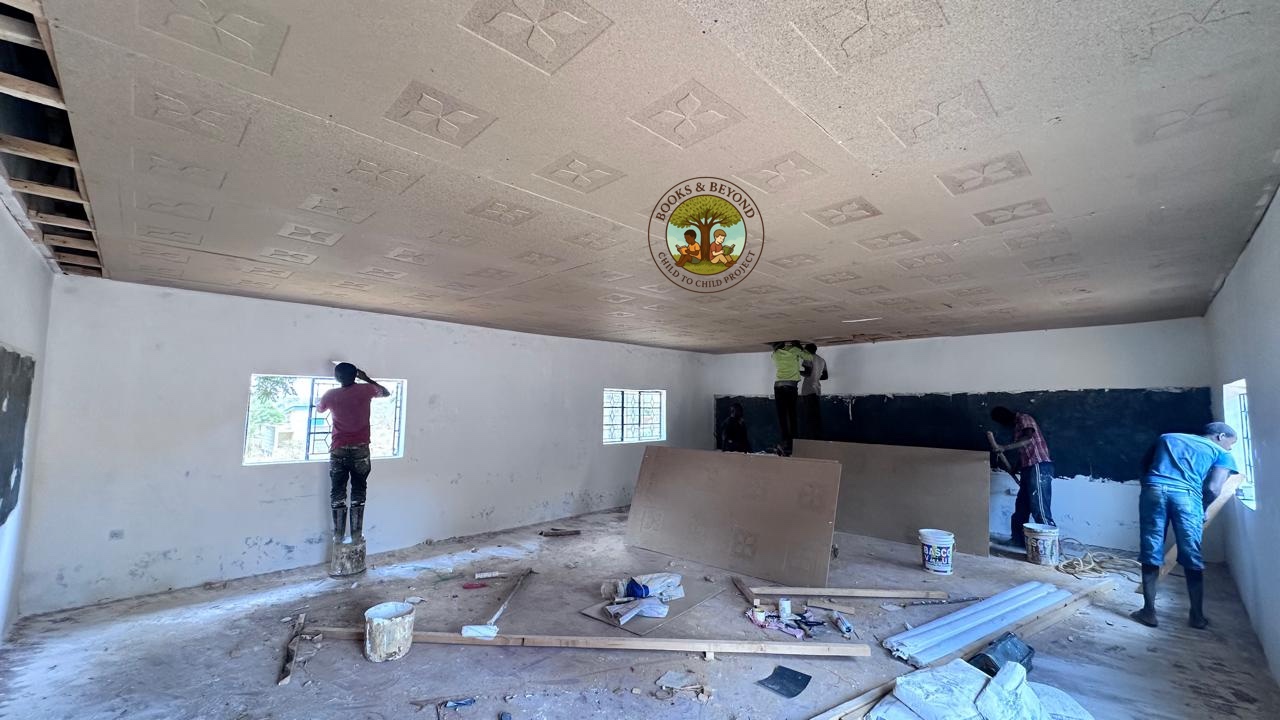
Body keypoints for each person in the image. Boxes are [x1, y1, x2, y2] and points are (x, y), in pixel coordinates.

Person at [1130, 423, 1239, 630]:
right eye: (1230, 443)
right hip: (1187, 498)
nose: (1230, 448)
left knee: (1151, 550)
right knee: (1191, 554)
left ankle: (1148, 612)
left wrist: (1151, 486)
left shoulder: (1167, 437)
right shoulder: (1221, 453)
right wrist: (1203, 509)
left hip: (1153, 490)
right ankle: (1196, 617)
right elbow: (1214, 488)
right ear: (1220, 436)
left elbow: (1143, 466)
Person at [316, 362, 391, 544]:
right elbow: (386, 392)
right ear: (355, 375)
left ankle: (338, 535)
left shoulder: (330, 395)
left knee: (338, 493)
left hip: (338, 449)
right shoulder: (366, 390)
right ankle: (356, 534)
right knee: (359, 491)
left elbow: (320, 408)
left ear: (336, 377)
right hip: (361, 450)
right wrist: (365, 378)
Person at [989, 406, 1055, 548]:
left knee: (1039, 507)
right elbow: (1023, 451)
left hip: (1038, 466)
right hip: (1027, 469)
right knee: (1021, 507)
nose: (1002, 424)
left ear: (1004, 416)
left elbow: (1028, 439)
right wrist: (1015, 468)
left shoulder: (1024, 419)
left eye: (1000, 421)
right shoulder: (1017, 429)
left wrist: (1004, 448)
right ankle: (1018, 540)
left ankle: (1049, 546)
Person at [770, 340, 812, 456]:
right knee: (792, 414)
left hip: (779, 386)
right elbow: (809, 357)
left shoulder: (775, 354)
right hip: (790, 386)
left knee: (782, 416)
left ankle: (786, 443)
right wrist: (801, 350)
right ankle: (790, 443)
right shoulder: (795, 350)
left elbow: (774, 353)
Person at [799, 343, 828, 440]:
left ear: (807, 350)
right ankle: (817, 439)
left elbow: (807, 373)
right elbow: (825, 376)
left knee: (809, 417)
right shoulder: (822, 360)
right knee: (815, 416)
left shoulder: (808, 358)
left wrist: (797, 371)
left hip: (808, 390)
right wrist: (816, 376)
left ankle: (810, 439)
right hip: (817, 390)